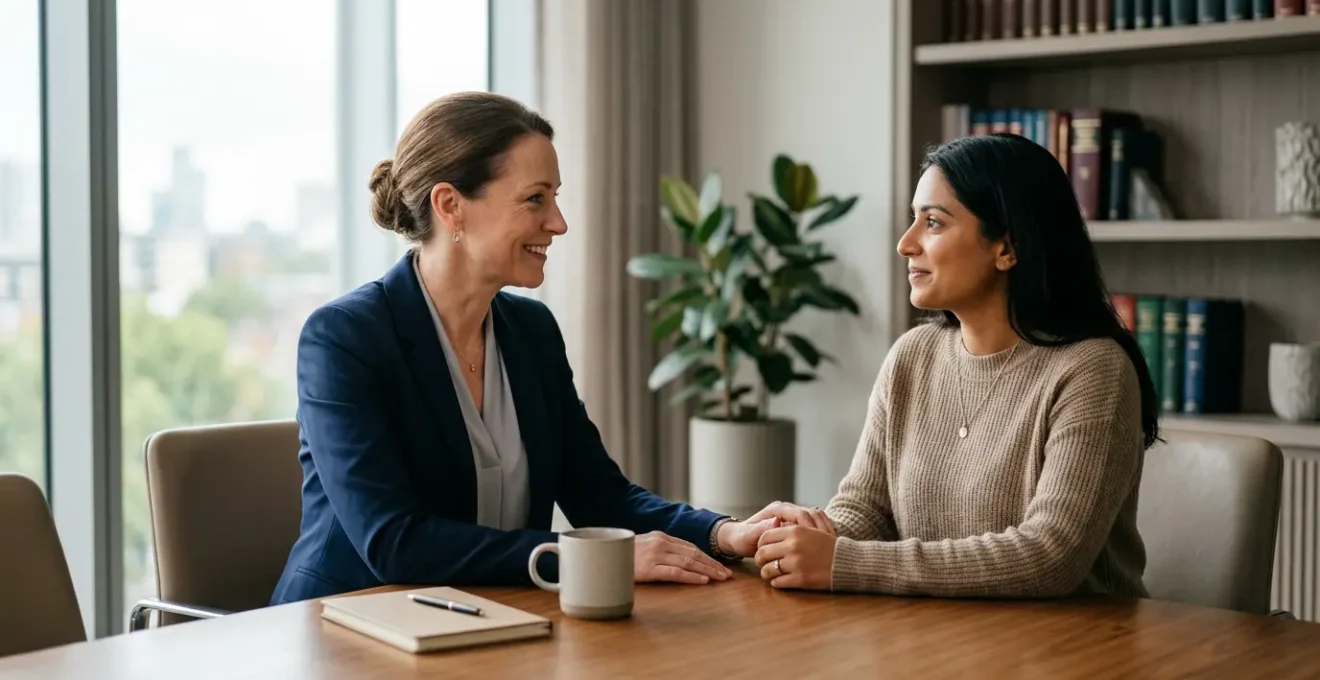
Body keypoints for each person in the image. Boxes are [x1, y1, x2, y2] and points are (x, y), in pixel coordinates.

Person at [270, 92, 827, 605]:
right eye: (535, 199)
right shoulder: (344, 338)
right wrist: (589, 560)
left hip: (489, 620)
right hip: (346, 627)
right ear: (450, 206)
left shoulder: (530, 331)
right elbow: (393, 541)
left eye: (555, 198)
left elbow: (599, 495)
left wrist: (726, 533)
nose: (557, 223)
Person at [753, 133, 1157, 599]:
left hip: (1077, 652)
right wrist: (814, 534)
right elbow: (867, 509)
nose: (906, 244)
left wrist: (844, 562)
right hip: (939, 641)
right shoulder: (913, 355)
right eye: (913, 220)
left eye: (934, 223)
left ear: (1007, 247)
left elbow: (1050, 556)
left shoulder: (1093, 370)